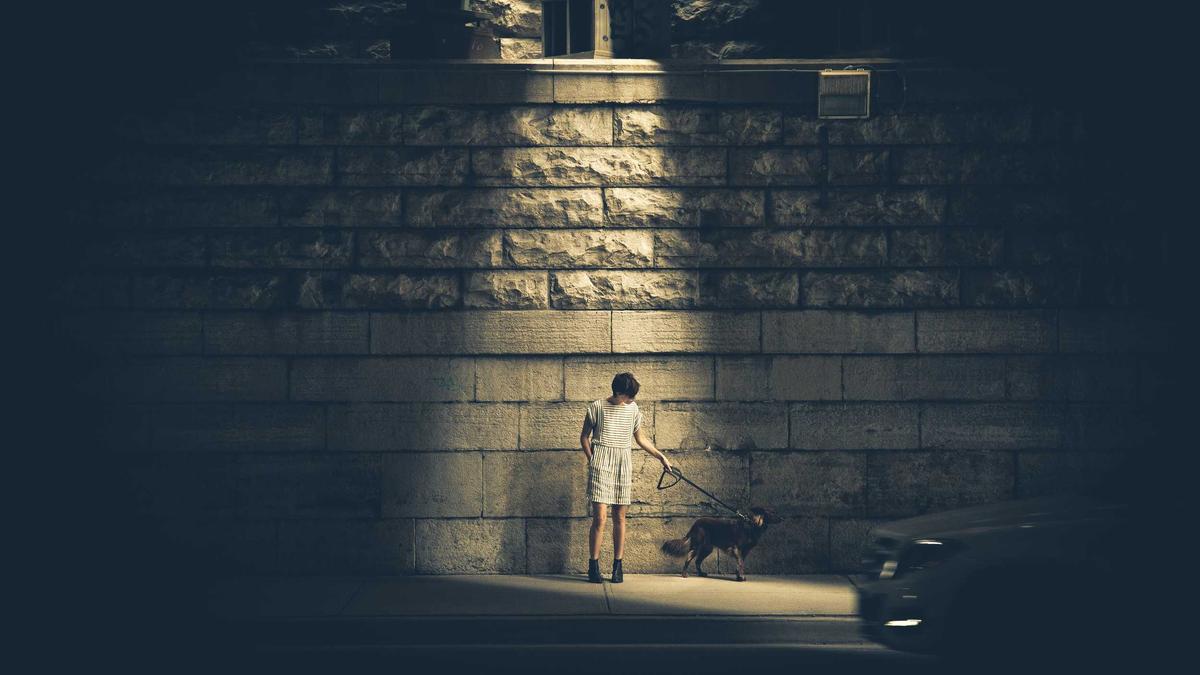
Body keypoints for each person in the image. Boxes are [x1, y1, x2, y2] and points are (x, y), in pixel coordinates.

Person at [580, 372, 674, 583]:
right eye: (629, 395)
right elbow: (584, 437)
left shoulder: (632, 409)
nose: (632, 399)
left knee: (620, 518)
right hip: (601, 463)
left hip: (623, 464)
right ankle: (593, 566)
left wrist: (661, 457)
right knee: (600, 519)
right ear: (619, 393)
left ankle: (617, 566)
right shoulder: (596, 407)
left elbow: (640, 438)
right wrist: (592, 459)